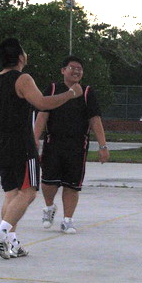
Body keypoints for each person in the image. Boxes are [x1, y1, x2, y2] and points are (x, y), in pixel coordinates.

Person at [0, 38, 84, 259]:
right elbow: (42, 103)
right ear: (20, 56)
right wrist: (70, 94)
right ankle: (0, 232)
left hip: (0, 144)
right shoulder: (22, 78)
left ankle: (11, 242)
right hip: (20, 144)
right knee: (29, 192)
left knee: (12, 193)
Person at [33, 56, 109, 234]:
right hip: (54, 143)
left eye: (79, 69)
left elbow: (95, 120)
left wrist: (103, 146)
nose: (76, 71)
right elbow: (42, 115)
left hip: (77, 146)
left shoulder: (87, 92)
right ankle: (49, 208)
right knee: (48, 182)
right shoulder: (52, 89)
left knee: (72, 185)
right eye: (72, 68)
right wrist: (35, 139)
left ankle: (68, 220)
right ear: (63, 70)